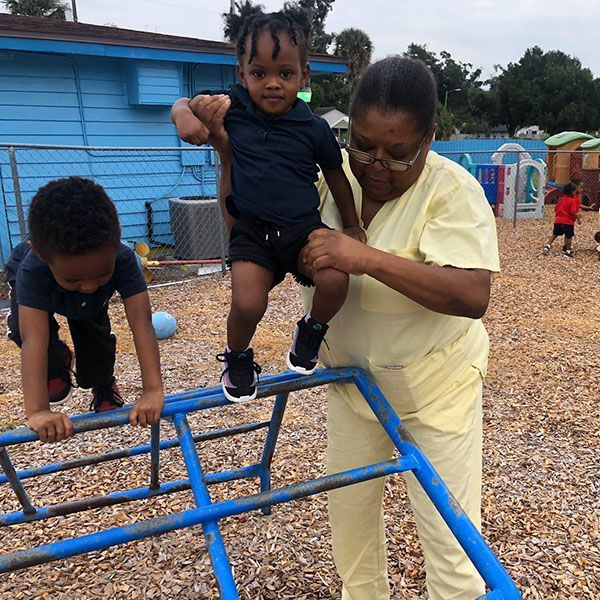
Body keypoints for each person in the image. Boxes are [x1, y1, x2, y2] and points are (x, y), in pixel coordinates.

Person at [172, 56, 500, 600]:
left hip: (434, 392)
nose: (375, 163)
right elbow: (245, 230)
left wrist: (366, 257)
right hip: (351, 387)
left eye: (398, 154)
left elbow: (471, 295)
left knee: (452, 542)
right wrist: (207, 130)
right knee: (349, 526)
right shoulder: (324, 171)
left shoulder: (452, 191)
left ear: (430, 136)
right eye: (364, 144)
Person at [171, 8, 364, 403]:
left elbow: (336, 177)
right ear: (242, 75)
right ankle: (238, 357)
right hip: (253, 231)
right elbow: (183, 103)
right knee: (246, 303)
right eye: (260, 74)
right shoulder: (233, 109)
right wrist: (183, 117)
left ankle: (311, 330)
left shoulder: (314, 128)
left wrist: (351, 226)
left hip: (302, 229)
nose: (273, 84)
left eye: (285, 74)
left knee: (336, 278)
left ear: (304, 76)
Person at [4, 177, 164, 443]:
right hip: (42, 286)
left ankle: (101, 383)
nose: (88, 286)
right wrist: (39, 410)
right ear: (40, 254)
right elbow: (34, 338)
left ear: (116, 240)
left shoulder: (122, 259)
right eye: (74, 280)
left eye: (102, 274)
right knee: (28, 333)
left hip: (84, 299)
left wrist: (153, 390)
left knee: (94, 334)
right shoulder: (34, 267)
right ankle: (58, 362)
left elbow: (141, 323)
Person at [542, 182, 581, 258]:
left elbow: (556, 209)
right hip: (568, 222)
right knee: (569, 236)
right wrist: (578, 217)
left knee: (555, 234)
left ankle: (547, 245)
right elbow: (572, 211)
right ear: (572, 191)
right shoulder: (572, 201)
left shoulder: (560, 199)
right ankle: (567, 251)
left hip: (558, 221)